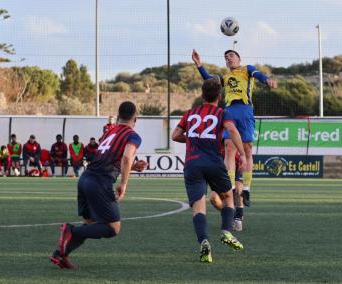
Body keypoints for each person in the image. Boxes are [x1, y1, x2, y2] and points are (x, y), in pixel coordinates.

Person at [50, 101, 148, 269]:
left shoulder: (110, 131)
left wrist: (132, 166)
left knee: (91, 224)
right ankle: (70, 231)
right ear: (135, 118)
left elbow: (110, 158)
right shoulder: (133, 135)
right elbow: (126, 157)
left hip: (85, 179)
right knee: (113, 228)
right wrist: (124, 183)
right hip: (99, 182)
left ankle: (61, 255)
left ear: (118, 117)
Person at [171, 78, 247, 263]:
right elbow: (233, 130)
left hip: (192, 164)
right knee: (228, 197)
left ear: (202, 95)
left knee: (198, 208)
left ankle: (204, 241)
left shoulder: (190, 113)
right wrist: (243, 155)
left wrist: (191, 139)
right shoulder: (222, 113)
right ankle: (226, 232)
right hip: (214, 162)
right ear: (219, 97)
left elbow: (175, 135)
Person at [192, 49, 277, 208]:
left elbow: (259, 75)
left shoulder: (247, 69)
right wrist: (199, 65)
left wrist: (267, 80)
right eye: (225, 57)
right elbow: (209, 80)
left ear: (239, 58)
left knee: (247, 149)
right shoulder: (225, 77)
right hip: (230, 110)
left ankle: (246, 188)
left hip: (245, 110)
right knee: (229, 146)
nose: (228, 59)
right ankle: (230, 186)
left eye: (231, 56)